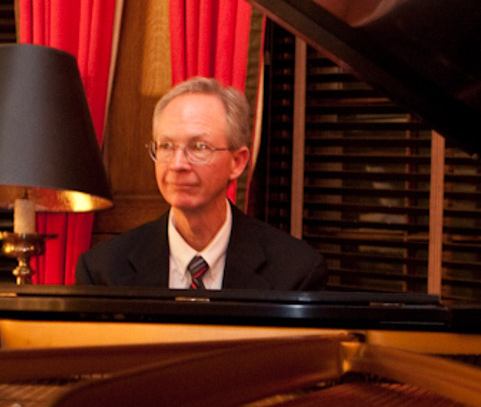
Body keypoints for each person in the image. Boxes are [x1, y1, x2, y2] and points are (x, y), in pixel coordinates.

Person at [74, 78, 326, 290]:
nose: (178, 164)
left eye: (199, 147)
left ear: (237, 162)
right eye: (166, 147)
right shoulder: (103, 271)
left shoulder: (295, 272)